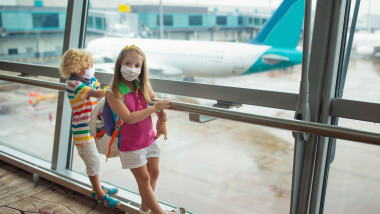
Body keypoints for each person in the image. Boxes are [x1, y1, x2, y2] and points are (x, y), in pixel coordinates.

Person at [105, 45, 185, 214]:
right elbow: (129, 118)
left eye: (137, 65)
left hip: (149, 139)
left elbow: (154, 101)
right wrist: (155, 108)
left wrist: (160, 110)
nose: (132, 68)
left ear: (142, 68)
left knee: (154, 174)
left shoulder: (143, 85)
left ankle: (144, 210)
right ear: (119, 64)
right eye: (128, 63)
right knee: (144, 179)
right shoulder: (113, 93)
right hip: (131, 144)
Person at [59, 48, 120, 208]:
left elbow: (100, 92)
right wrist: (114, 89)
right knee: (92, 162)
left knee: (96, 160)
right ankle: (99, 194)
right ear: (74, 68)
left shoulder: (91, 80)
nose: (91, 68)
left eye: (91, 65)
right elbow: (98, 94)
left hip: (93, 130)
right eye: (87, 65)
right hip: (82, 133)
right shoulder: (74, 84)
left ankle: (97, 186)